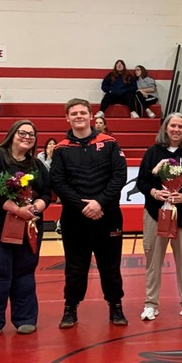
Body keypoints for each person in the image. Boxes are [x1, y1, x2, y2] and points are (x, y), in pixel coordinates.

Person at [51, 98, 128, 328]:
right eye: (73, 113)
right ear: (67, 117)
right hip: (75, 218)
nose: (78, 116)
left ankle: (116, 306)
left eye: (83, 112)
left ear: (91, 115)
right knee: (75, 266)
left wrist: (100, 203)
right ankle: (70, 308)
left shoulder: (110, 143)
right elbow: (58, 182)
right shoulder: (61, 149)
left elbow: (119, 177)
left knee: (110, 265)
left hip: (108, 216)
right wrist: (83, 206)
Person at [0, 120, 51, 336]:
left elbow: (46, 194)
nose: (27, 137)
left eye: (31, 134)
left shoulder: (37, 165)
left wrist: (35, 208)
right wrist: (16, 209)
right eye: (22, 133)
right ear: (12, 134)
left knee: (25, 273)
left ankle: (25, 318)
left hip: (28, 227)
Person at [136, 113, 182, 321]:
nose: (176, 130)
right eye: (172, 126)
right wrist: (155, 193)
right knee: (153, 261)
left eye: (180, 127)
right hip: (156, 215)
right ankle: (151, 304)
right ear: (165, 128)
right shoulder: (152, 152)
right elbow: (142, 181)